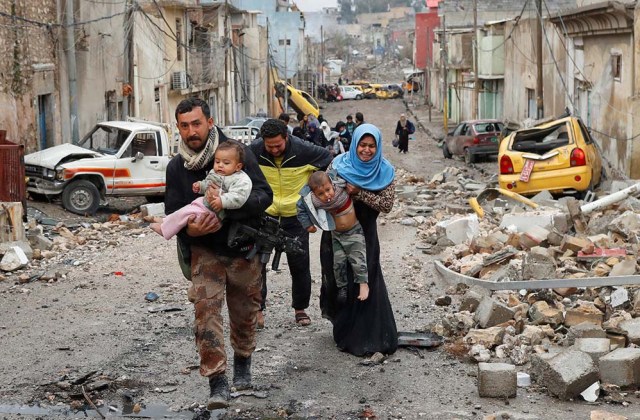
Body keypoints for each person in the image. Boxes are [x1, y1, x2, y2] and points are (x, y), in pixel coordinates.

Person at [164, 98, 272, 409]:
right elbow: (172, 213)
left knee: (244, 312)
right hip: (204, 252)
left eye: (196, 123)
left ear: (210, 122)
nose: (191, 131)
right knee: (206, 314)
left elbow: (265, 195)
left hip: (242, 249)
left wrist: (229, 209)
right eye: (184, 126)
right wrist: (191, 231)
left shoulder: (237, 154)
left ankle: (243, 368)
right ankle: (217, 381)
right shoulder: (177, 167)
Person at [319, 123, 398, 357]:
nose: (366, 150)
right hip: (336, 231)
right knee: (338, 278)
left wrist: (359, 193)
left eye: (371, 146)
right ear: (355, 144)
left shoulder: (385, 171)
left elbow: (387, 205)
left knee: (365, 279)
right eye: (362, 145)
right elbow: (321, 192)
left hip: (365, 233)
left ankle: (367, 336)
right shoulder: (338, 164)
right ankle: (343, 329)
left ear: (378, 146)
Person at [250, 119, 332, 327]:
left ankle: (300, 308)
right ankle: (257, 309)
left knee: (299, 263)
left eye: (278, 145)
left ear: (287, 137)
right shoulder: (254, 150)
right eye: (270, 146)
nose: (274, 149)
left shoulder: (304, 150)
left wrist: (313, 194)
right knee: (257, 264)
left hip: (295, 216)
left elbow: (327, 160)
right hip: (264, 214)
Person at [151, 141, 252, 239]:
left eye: (226, 163)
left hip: (214, 213)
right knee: (184, 210)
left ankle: (165, 230)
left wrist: (222, 201)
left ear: (238, 166)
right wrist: (200, 186)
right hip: (204, 205)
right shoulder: (216, 173)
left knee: (187, 213)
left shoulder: (241, 180)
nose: (220, 165)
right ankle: (165, 221)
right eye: (217, 161)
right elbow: (208, 183)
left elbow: (239, 197)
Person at [297, 171, 369, 304]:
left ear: (331, 184)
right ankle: (342, 288)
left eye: (328, 190)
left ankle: (363, 284)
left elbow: (352, 176)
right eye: (321, 194)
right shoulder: (313, 200)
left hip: (354, 230)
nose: (326, 195)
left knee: (358, 258)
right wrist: (308, 225)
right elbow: (300, 209)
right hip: (336, 234)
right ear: (314, 194)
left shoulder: (341, 187)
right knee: (338, 263)